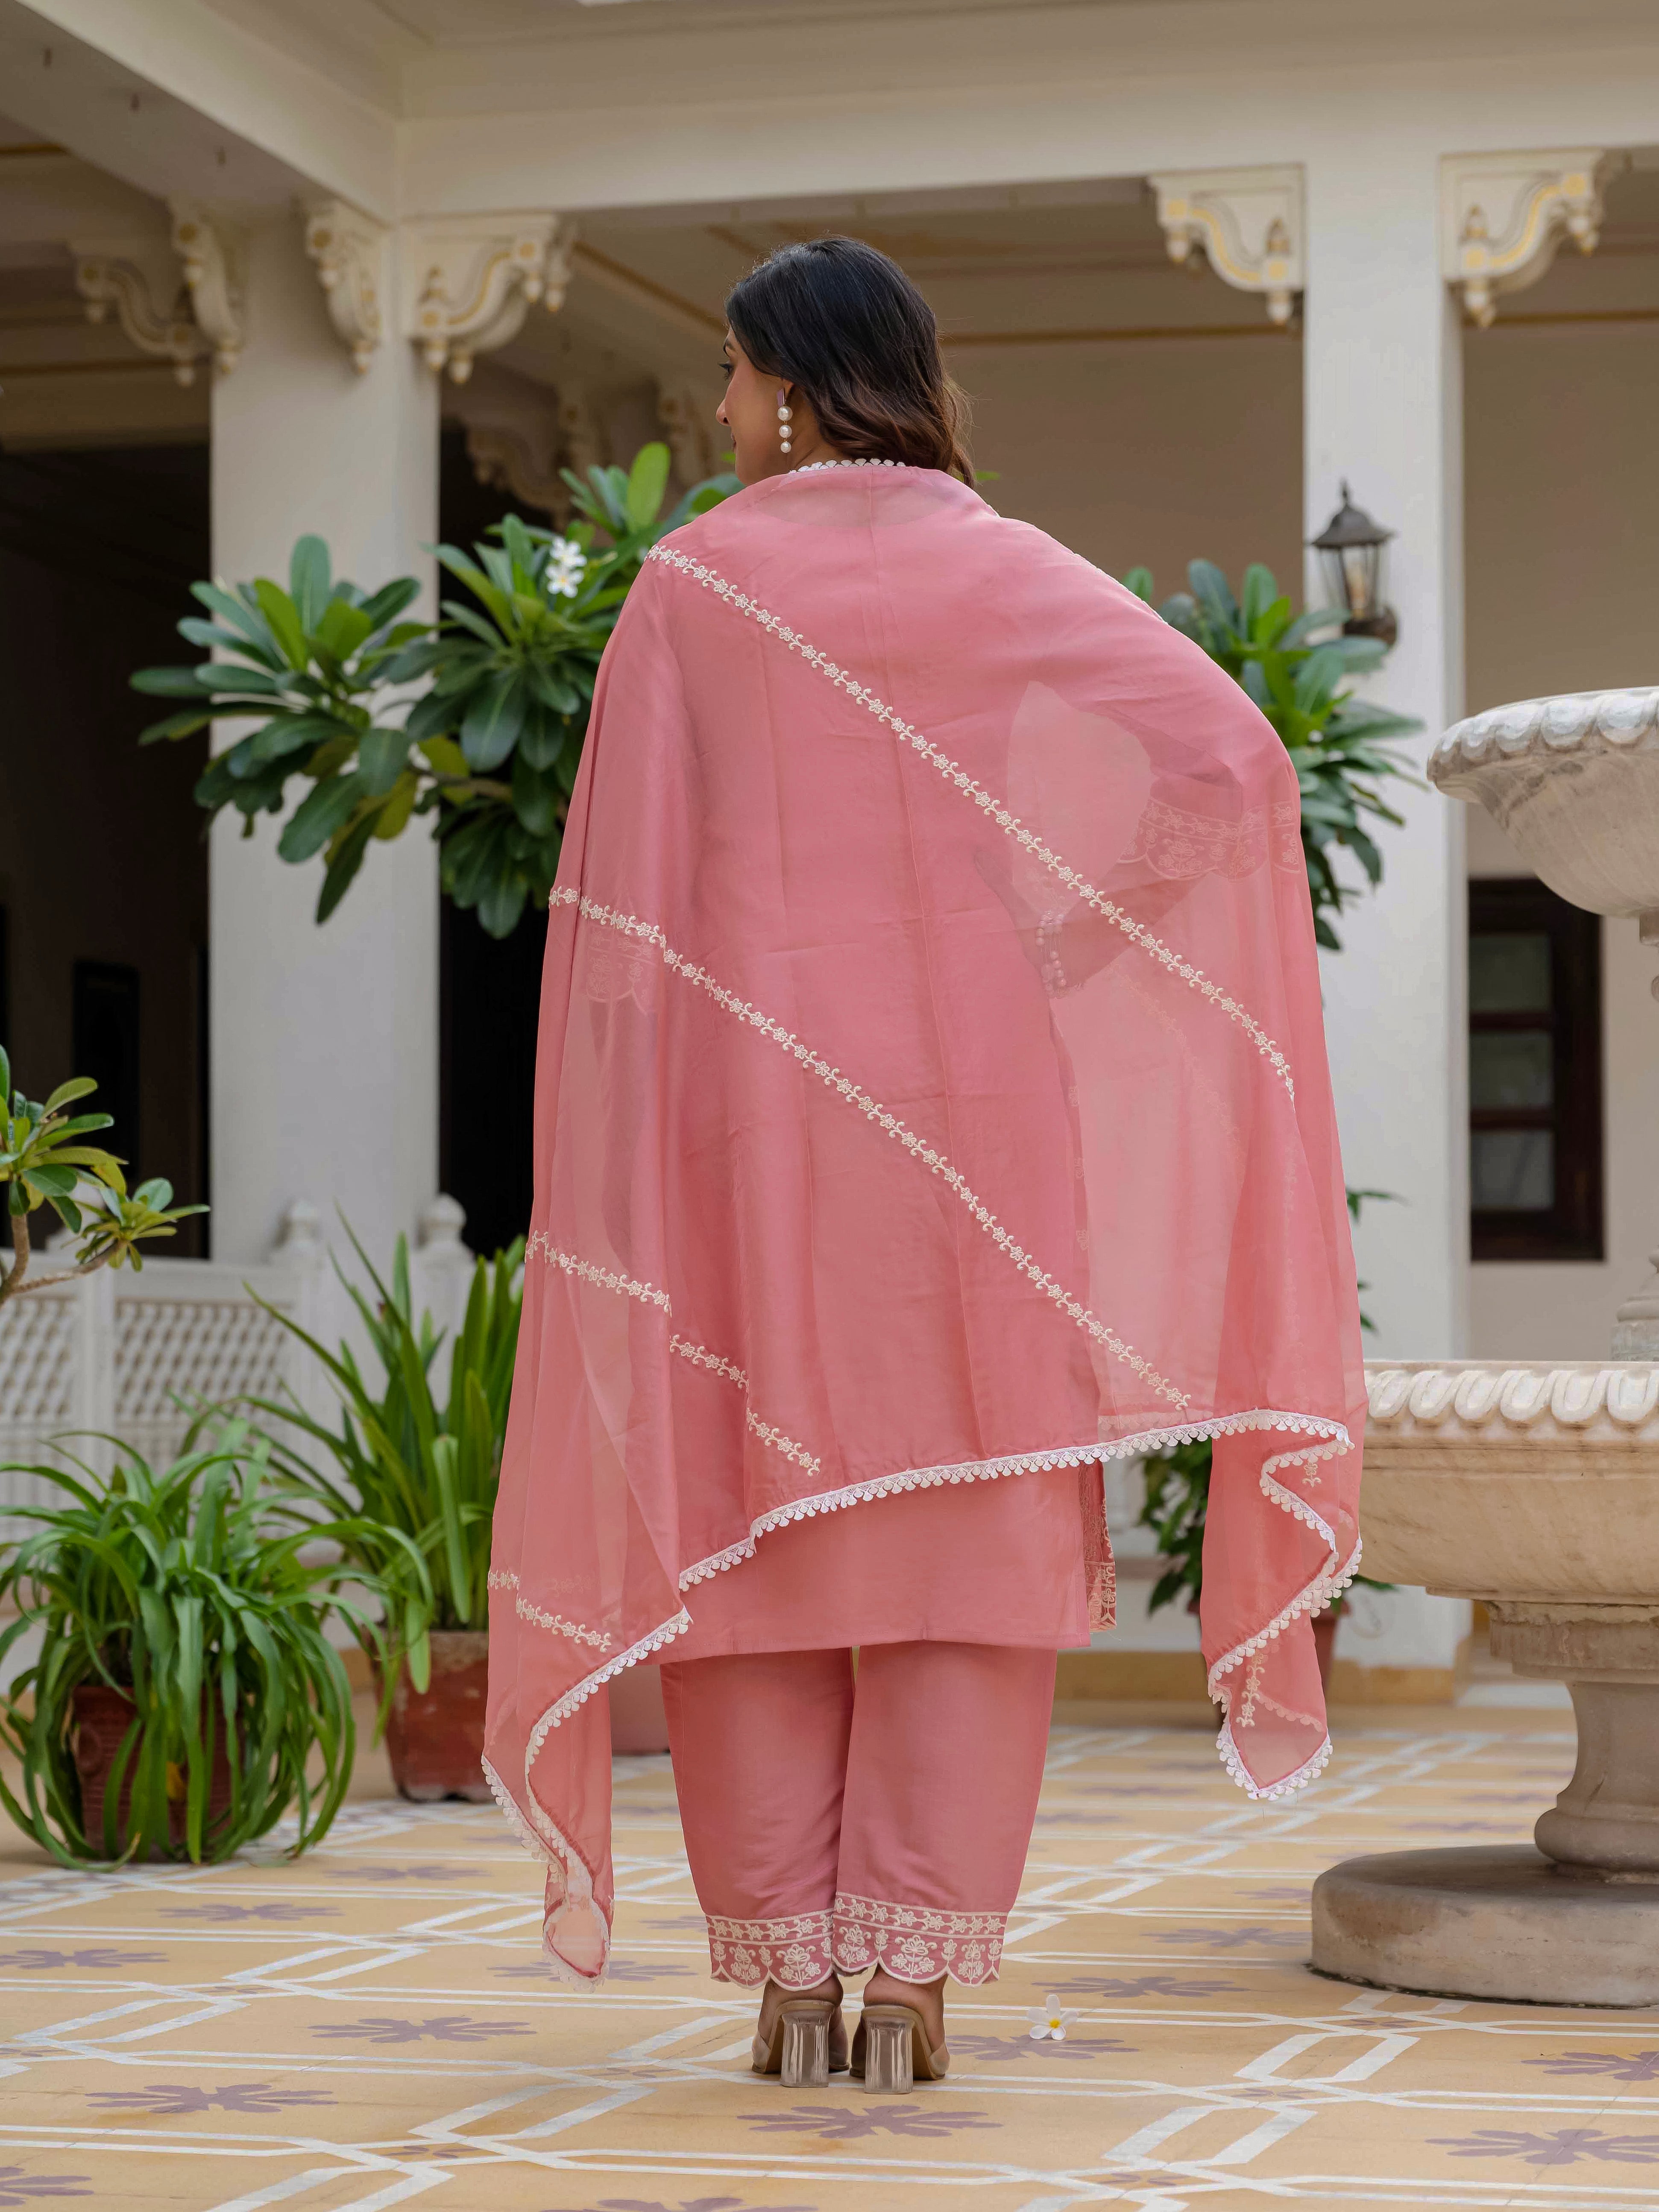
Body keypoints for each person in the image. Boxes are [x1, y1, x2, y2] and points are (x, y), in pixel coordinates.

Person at [485, 237, 1365, 2094]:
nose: (721, 407)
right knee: (966, 1531)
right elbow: (1227, 760)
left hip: (749, 1125)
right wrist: (1061, 938)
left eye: (736, 375)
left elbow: (626, 921)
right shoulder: (1002, 560)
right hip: (976, 1121)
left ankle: (788, 1986)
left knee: (749, 1527)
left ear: (796, 390)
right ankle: (910, 1984)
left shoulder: (689, 585)